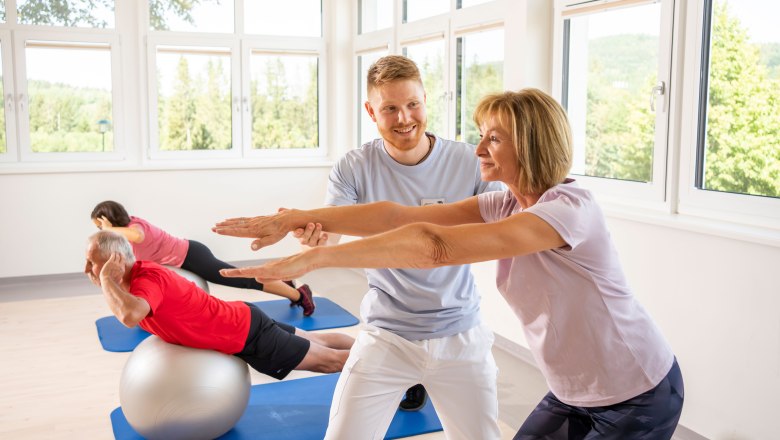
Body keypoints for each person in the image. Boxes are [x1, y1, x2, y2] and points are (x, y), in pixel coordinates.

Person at [213, 88, 685, 439]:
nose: (479, 149)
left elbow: (434, 247)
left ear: (531, 144)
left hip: (636, 392)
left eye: (493, 140)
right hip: (574, 392)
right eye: (481, 137)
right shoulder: (505, 205)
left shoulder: (567, 211)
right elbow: (398, 216)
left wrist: (316, 258)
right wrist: (300, 217)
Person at [216, 55, 504, 440]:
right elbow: (335, 228)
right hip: (388, 335)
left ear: (426, 101)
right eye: (390, 108)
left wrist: (315, 249)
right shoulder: (354, 166)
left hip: (461, 335)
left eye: (413, 104)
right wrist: (312, 235)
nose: (404, 118)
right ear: (371, 111)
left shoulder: (470, 161)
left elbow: (487, 234)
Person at [85, 230, 353, 379]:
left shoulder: (147, 279)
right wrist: (109, 280)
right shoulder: (134, 281)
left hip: (247, 334)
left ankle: (391, 371)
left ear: (115, 260)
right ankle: (377, 350)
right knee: (322, 342)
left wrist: (107, 278)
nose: (86, 269)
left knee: (330, 361)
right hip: (245, 320)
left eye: (92, 262)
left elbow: (131, 315)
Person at [90, 200, 315, 316]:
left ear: (108, 221)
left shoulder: (135, 227)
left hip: (191, 255)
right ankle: (285, 285)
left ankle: (299, 293)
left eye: (99, 225)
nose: (100, 230)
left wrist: (108, 229)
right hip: (186, 256)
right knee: (239, 278)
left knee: (240, 278)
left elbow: (136, 236)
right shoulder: (127, 229)